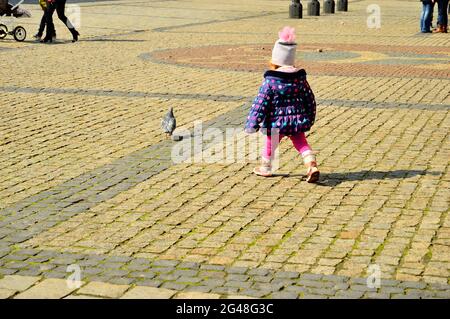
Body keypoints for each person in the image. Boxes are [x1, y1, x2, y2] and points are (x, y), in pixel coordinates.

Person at [244, 26, 319, 183]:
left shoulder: (270, 81)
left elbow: (260, 103)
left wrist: (252, 123)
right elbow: (310, 100)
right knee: (301, 142)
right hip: (296, 121)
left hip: (276, 123)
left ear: (274, 61)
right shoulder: (300, 79)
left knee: (271, 144)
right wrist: (310, 118)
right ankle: (311, 164)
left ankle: (265, 167)